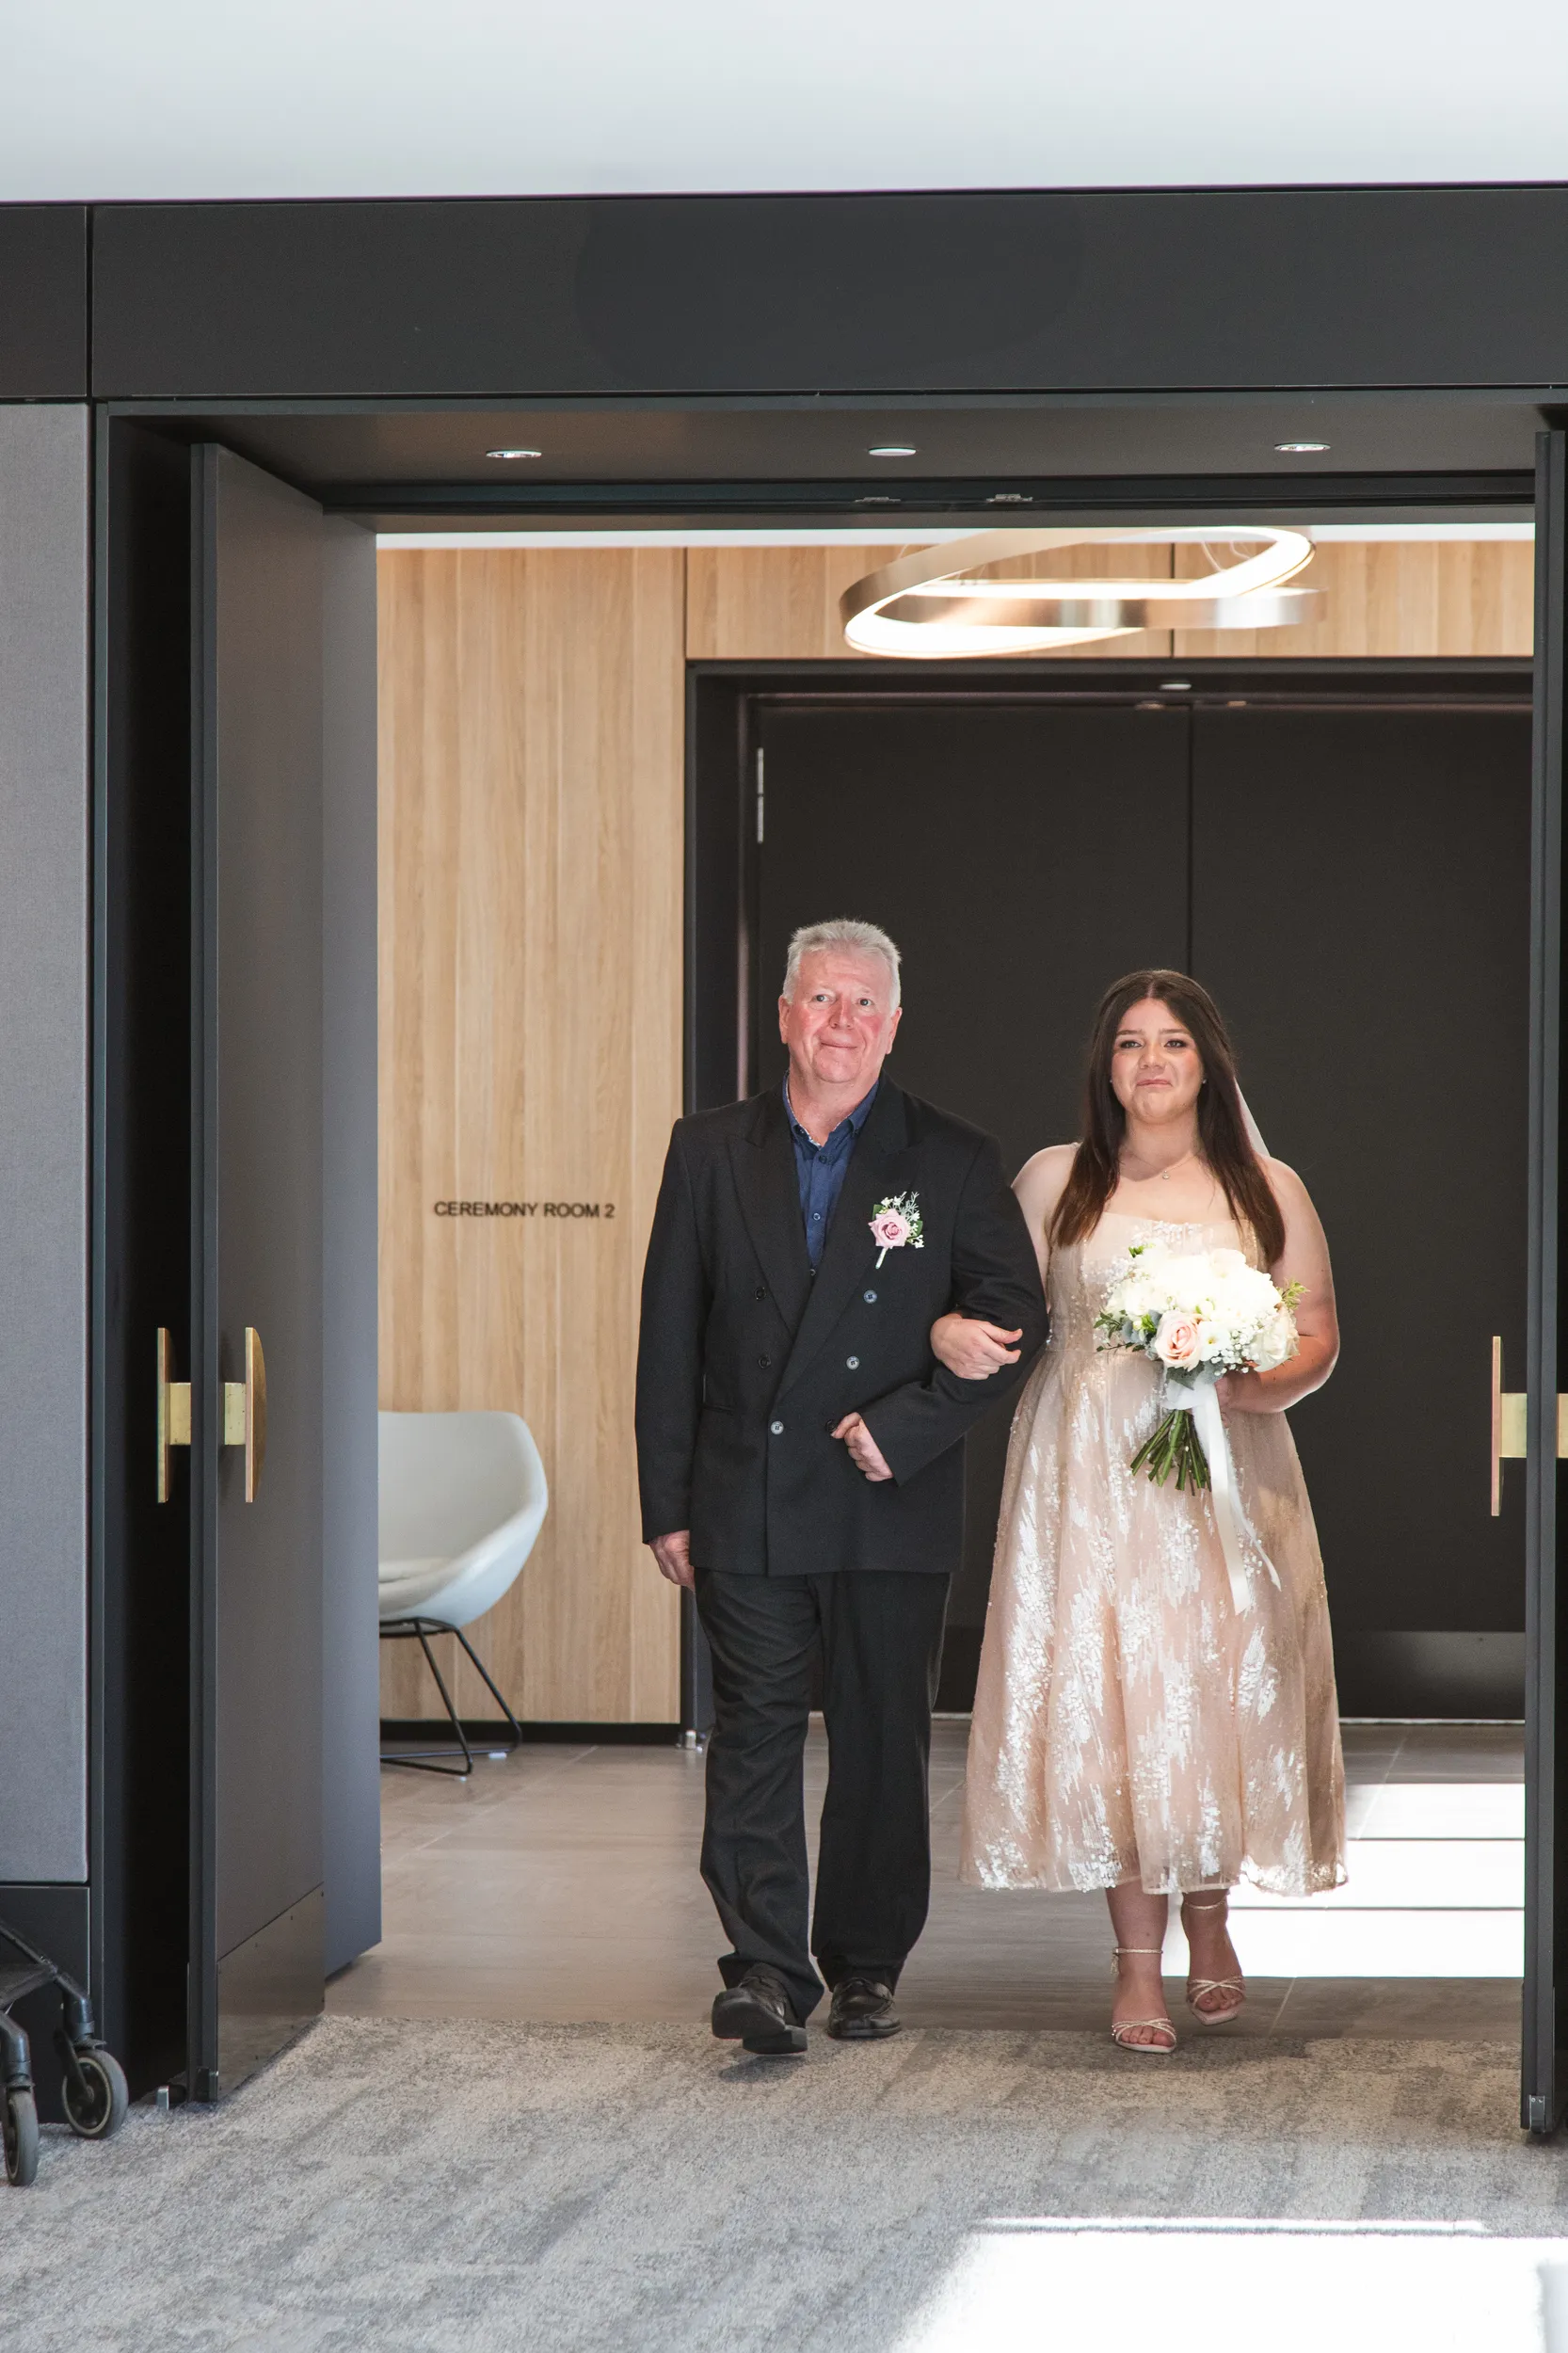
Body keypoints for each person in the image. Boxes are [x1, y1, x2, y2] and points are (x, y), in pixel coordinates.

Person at [635, 918, 1048, 2055]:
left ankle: (865, 1964)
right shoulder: (708, 1148)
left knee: (879, 1739)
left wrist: (905, 1428)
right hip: (744, 1495)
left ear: (895, 1024)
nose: (842, 1023)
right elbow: (670, 1331)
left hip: (886, 1498)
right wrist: (664, 1500)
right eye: (822, 1000)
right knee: (755, 1734)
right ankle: (763, 1971)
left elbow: (1019, 1316)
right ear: (784, 1015)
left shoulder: (950, 1155)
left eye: (865, 1003)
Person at [942, 969, 1345, 2052]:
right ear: (1104, 1065)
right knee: (1111, 1702)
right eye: (1129, 1043)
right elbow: (988, 1300)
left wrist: (1244, 1382)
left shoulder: (1267, 1186)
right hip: (1086, 1480)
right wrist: (944, 1333)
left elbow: (1315, 1336)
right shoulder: (1050, 1180)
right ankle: (1131, 1969)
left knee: (1214, 1688)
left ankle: (1210, 1925)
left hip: (1226, 1475)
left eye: (1172, 1042)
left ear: (1207, 1061)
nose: (1151, 1061)